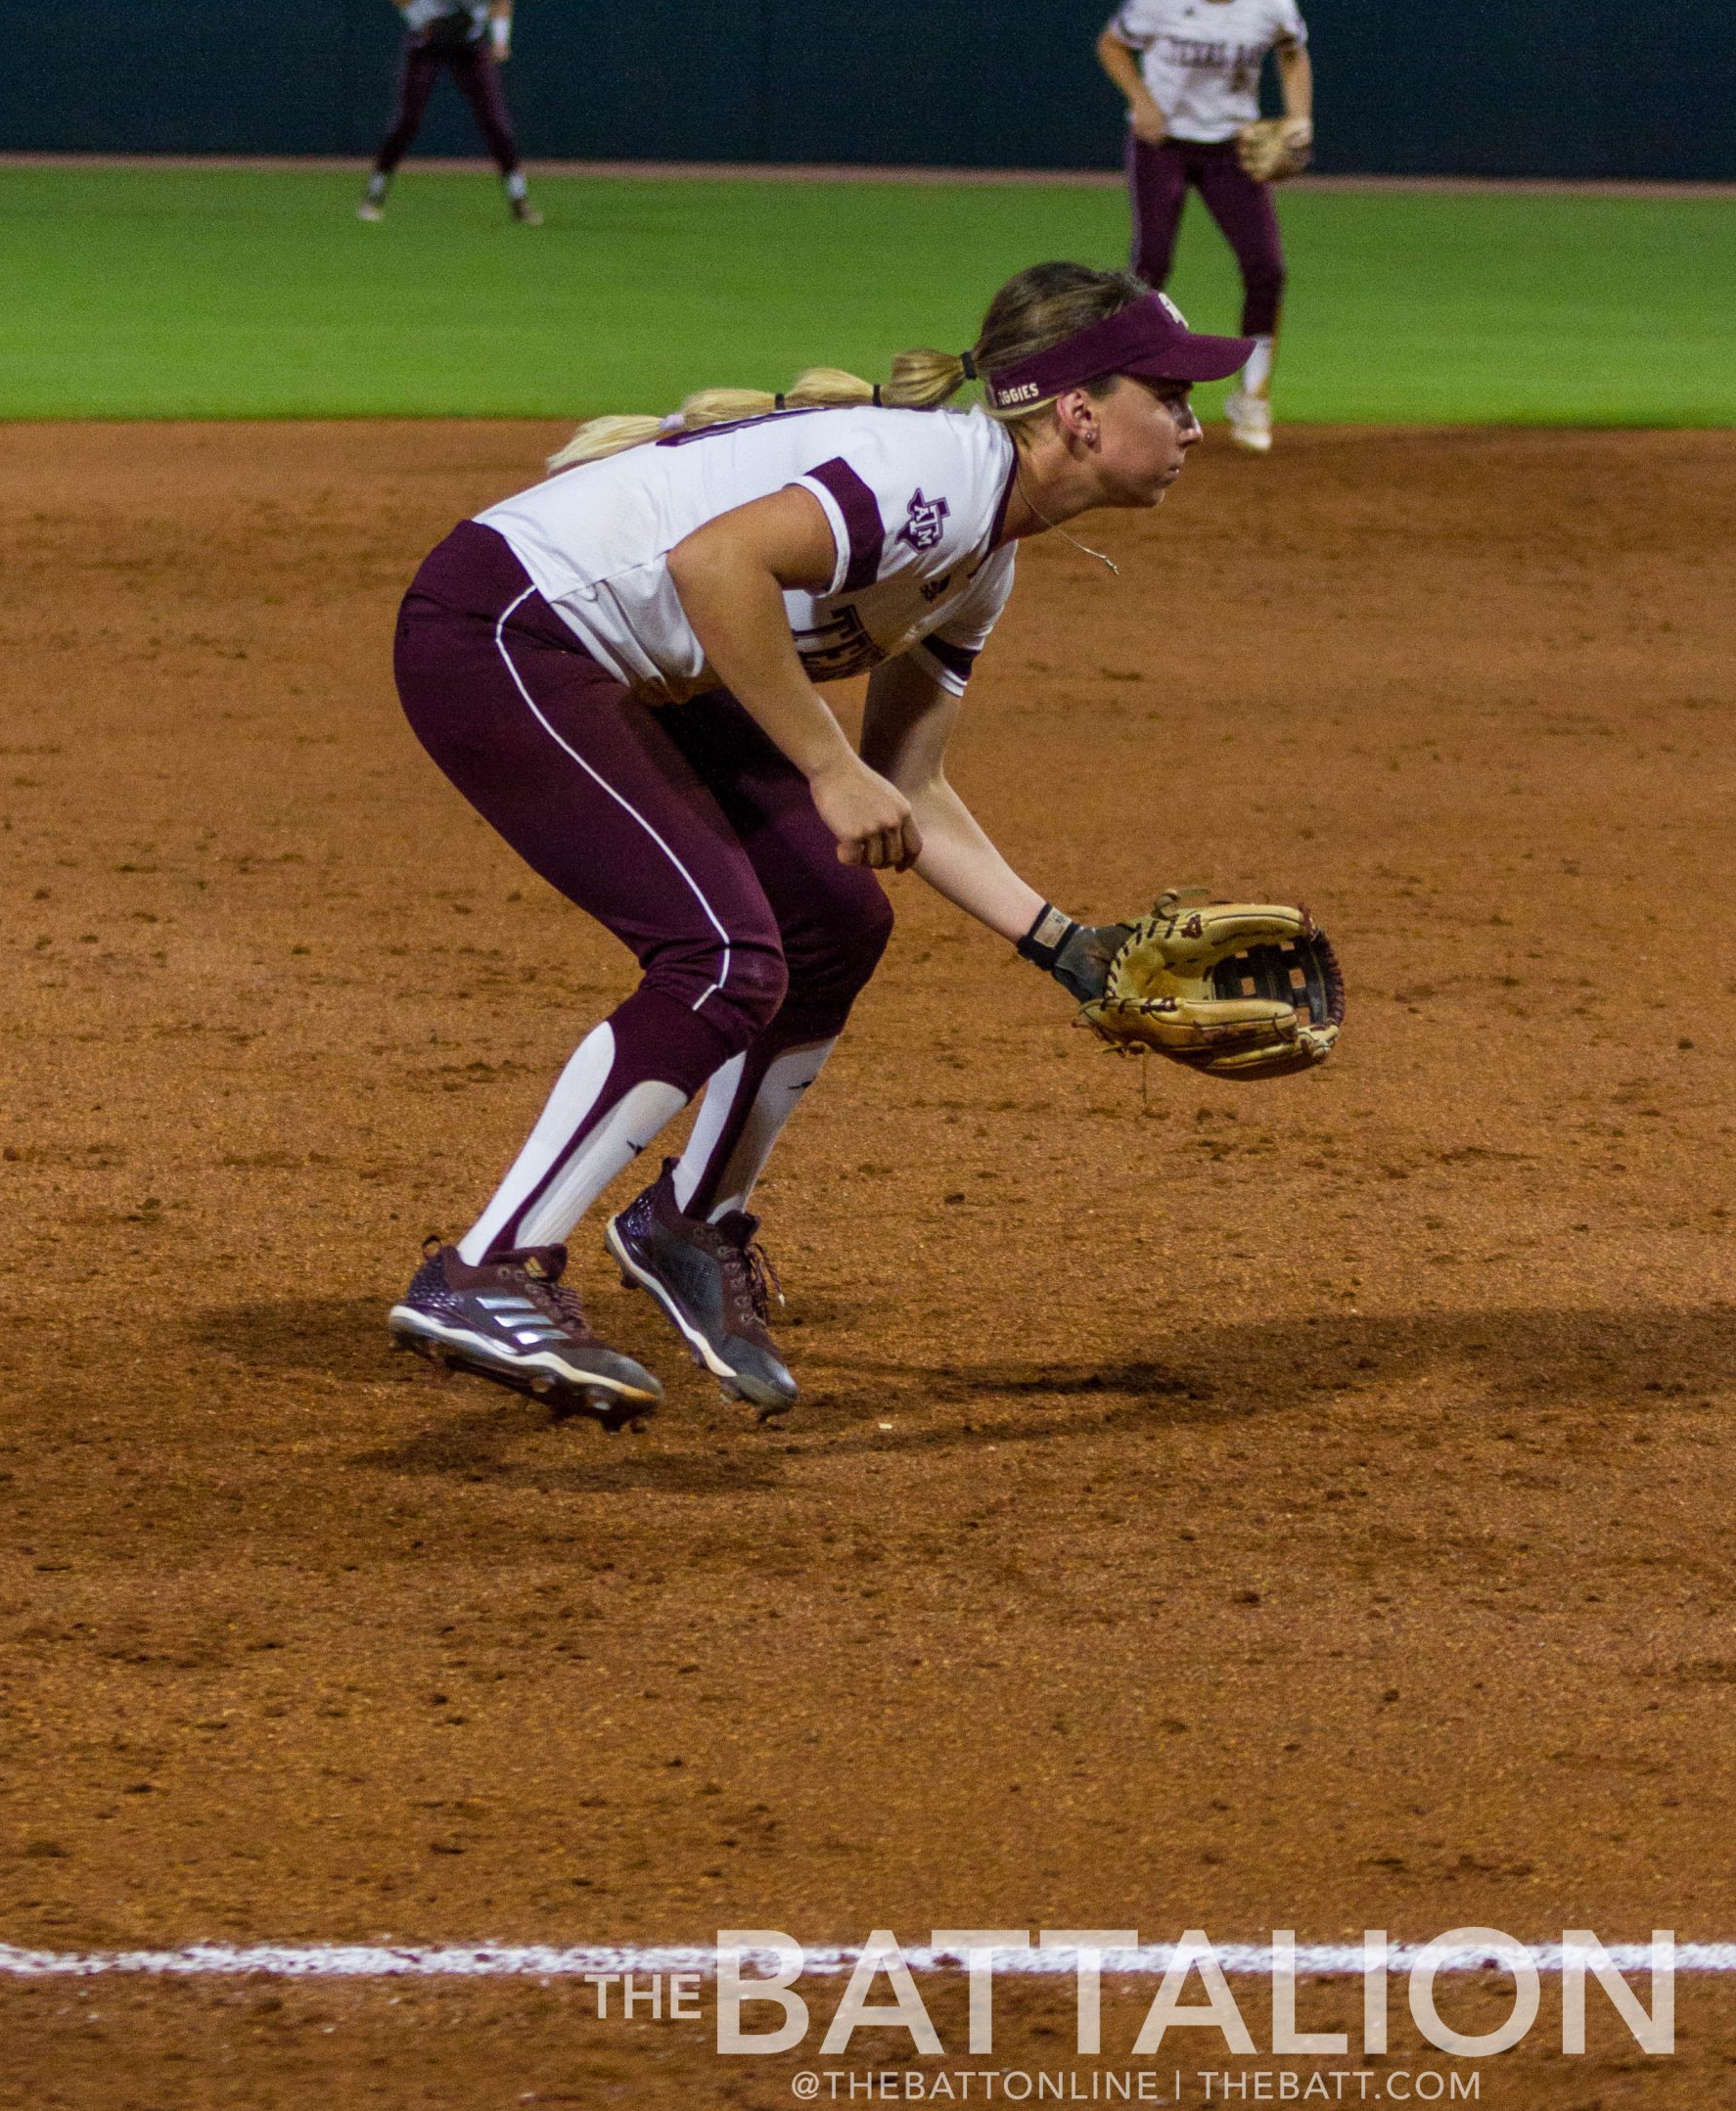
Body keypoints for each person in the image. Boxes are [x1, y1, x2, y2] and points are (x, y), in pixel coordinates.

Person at [386, 261, 1254, 1429]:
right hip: (510, 628)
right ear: (1076, 412)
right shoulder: (939, 479)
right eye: (1172, 396)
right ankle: (487, 1268)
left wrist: (1064, 946)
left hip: (631, 663)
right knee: (721, 958)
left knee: (833, 922)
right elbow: (713, 566)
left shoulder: (981, 559)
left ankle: (688, 1222)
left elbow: (907, 786)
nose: (1194, 424)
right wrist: (823, 767)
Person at [1095, 0, 1311, 454]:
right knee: (1151, 266)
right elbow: (1113, 43)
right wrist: (1141, 100)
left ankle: (1253, 395)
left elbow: (1293, 53)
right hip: (1163, 144)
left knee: (1266, 268)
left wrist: (1299, 117)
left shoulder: (1271, 1)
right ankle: (1130, 389)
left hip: (1232, 149)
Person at [358, 0, 540, 227]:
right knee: (408, 121)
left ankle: (519, 200)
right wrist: (422, 21)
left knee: (496, 123)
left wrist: (501, 39)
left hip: (470, 46)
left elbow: (501, 1)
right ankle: (375, 194)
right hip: (428, 45)